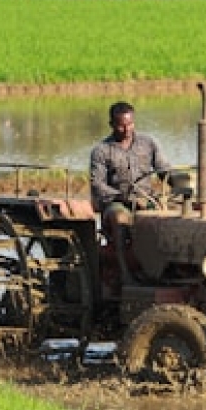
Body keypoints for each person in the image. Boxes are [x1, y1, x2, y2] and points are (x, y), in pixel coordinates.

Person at [90, 101, 170, 286]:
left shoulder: (148, 143)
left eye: (130, 124)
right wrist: (123, 197)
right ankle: (126, 274)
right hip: (116, 203)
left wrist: (176, 181)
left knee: (171, 218)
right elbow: (98, 185)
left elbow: (163, 169)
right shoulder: (101, 151)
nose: (127, 129)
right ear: (111, 124)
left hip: (147, 199)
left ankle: (162, 271)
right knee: (120, 219)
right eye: (121, 125)